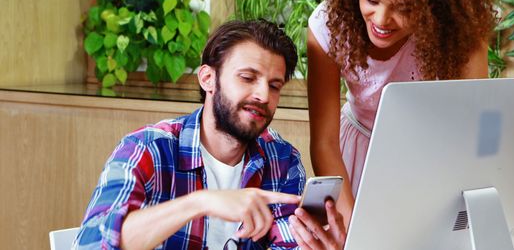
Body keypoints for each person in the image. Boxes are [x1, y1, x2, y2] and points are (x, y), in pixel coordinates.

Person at [74, 20, 342, 250]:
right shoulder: (146, 149)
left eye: (274, 86)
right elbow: (91, 243)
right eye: (248, 78)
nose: (263, 95)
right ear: (207, 79)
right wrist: (200, 203)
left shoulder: (282, 161)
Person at [306, 0, 496, 226]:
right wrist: (353, 227)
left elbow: (474, 127)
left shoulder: (461, 31)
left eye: (404, 9)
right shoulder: (330, 25)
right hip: (353, 159)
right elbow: (324, 143)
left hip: (430, 158)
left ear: (432, 6)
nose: (381, 20)